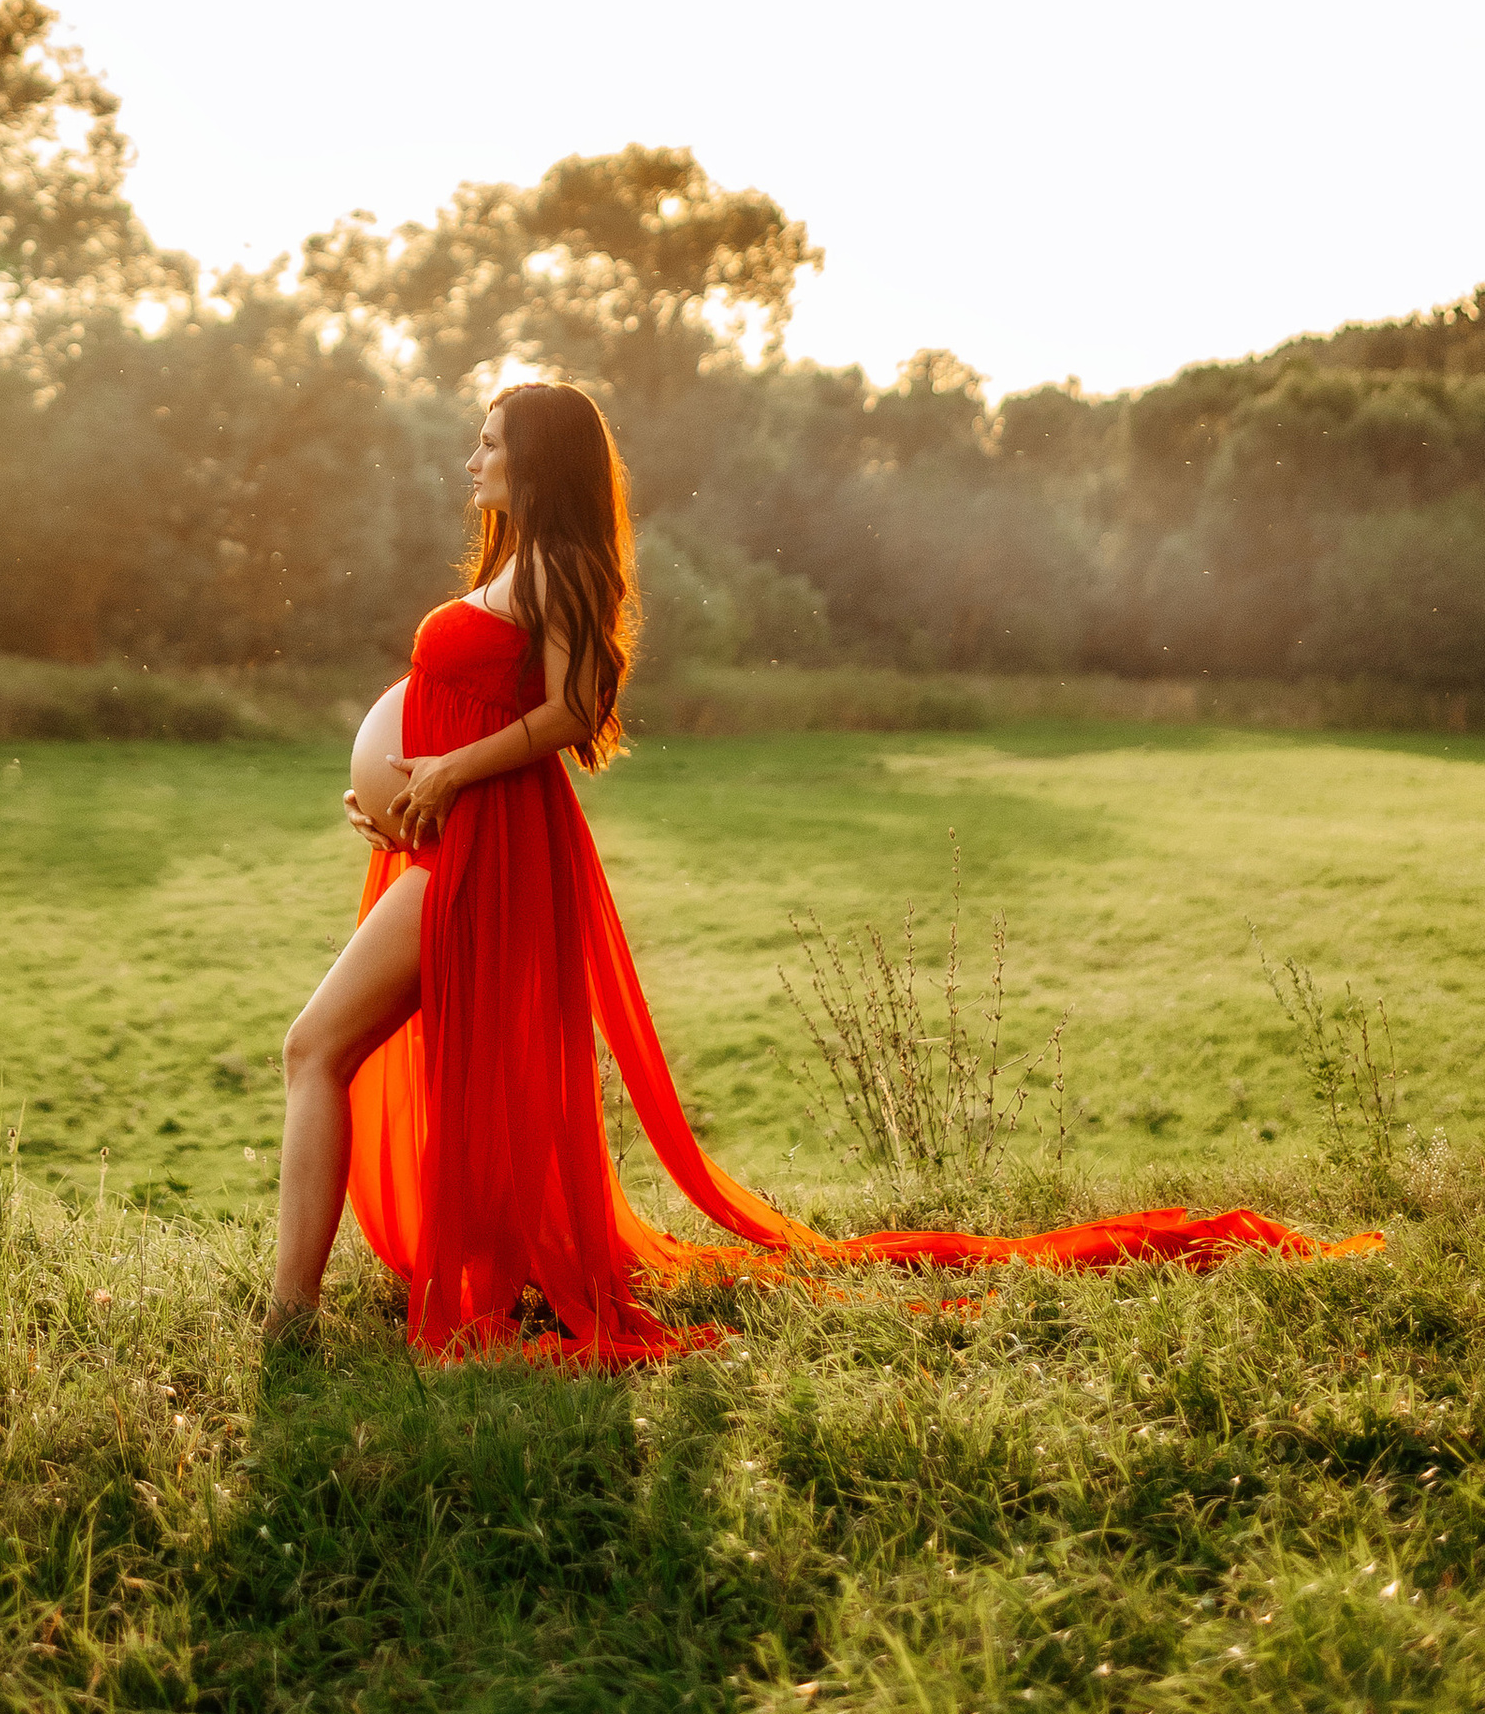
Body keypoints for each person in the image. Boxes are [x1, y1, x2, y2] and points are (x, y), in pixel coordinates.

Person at [267, 378, 1375, 1364]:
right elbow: (468, 701)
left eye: (491, 441)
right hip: (454, 840)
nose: (472, 460)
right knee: (335, 1049)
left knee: (315, 1045)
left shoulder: (561, 566)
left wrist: (446, 773)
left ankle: (290, 1321)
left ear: (540, 459)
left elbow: (573, 711)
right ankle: (351, 1294)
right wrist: (396, 796)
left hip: (499, 847)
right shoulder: (513, 564)